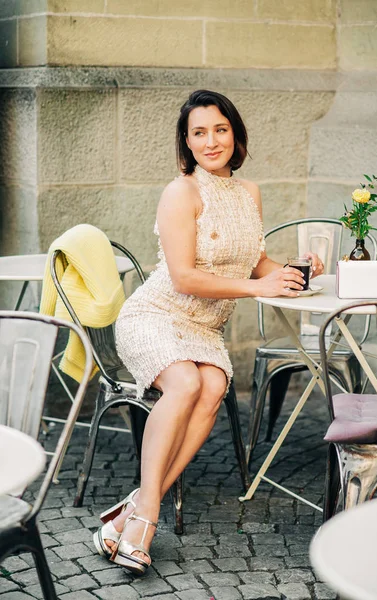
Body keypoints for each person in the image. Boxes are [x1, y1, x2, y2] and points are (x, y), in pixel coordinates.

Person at [92, 89, 324, 575]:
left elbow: (254, 260)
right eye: (199, 132)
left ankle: (129, 512)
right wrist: (257, 284)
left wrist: (295, 270)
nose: (211, 140)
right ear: (187, 142)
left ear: (234, 134)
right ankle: (148, 518)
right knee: (188, 383)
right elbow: (183, 277)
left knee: (214, 384)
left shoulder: (249, 193)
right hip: (155, 316)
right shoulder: (181, 192)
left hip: (202, 327)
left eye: (220, 129)